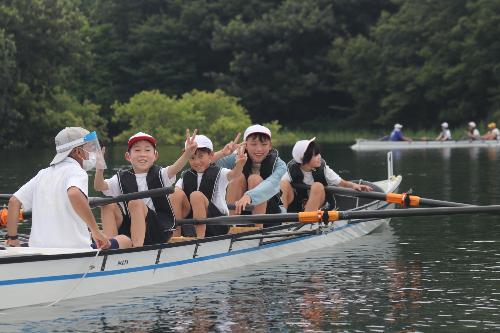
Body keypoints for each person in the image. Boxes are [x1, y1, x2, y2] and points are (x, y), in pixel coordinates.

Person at [4, 127, 110, 249]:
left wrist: (12, 239)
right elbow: (74, 194)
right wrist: (96, 231)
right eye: (89, 148)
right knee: (123, 241)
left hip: (37, 250)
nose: (93, 153)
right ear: (78, 152)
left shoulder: (42, 174)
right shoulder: (77, 172)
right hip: (74, 250)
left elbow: (14, 201)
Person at [94, 130, 198, 248]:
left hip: (158, 229)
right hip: (130, 227)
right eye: (137, 150)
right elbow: (99, 186)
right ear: (128, 156)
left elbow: (176, 168)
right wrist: (99, 168)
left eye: (147, 150)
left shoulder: (161, 174)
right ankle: (109, 245)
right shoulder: (120, 177)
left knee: (135, 203)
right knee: (107, 204)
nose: (142, 154)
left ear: (155, 156)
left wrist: (188, 153)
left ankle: (137, 251)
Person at [174, 135, 247, 238]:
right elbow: (176, 193)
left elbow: (234, 174)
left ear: (211, 155)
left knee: (196, 195)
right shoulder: (185, 176)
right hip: (190, 224)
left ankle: (200, 240)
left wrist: (240, 164)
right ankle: (175, 236)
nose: (196, 162)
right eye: (192, 157)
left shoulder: (220, 172)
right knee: (175, 194)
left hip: (217, 224)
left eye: (200, 156)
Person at [217, 124, 286, 227]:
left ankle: (258, 229)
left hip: (269, 215)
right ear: (245, 145)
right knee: (237, 177)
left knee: (255, 179)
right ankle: (231, 226)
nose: (259, 149)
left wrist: (250, 196)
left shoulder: (280, 165)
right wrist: (223, 153)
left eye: (264, 144)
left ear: (270, 146)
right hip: (239, 207)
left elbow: (271, 184)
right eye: (253, 144)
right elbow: (207, 166)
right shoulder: (234, 158)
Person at [281, 138, 372, 213]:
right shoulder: (292, 170)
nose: (319, 157)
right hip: (298, 206)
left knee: (317, 186)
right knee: (283, 184)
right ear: (303, 159)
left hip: (322, 206)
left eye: (318, 153)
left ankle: (305, 221)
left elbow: (342, 183)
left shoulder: (324, 170)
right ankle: (281, 217)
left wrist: (354, 185)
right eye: (315, 155)